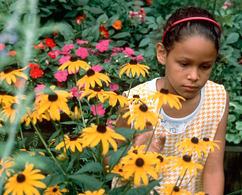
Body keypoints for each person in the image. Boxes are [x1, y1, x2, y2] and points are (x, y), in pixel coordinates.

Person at [109, 6, 229, 195]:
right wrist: (133, 153)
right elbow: (109, 159)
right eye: (184, 64)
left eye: (205, 66)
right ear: (162, 54)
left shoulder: (218, 99)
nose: (194, 75)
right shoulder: (134, 101)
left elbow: (213, 169)